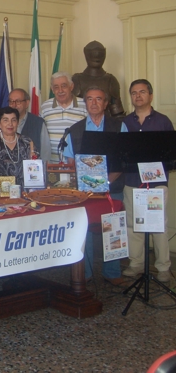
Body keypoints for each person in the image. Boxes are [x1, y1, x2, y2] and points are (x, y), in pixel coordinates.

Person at [62, 87, 128, 285]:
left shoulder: (119, 126)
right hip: (86, 191)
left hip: (112, 187)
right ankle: (86, 272)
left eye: (98, 99)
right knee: (86, 230)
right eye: (89, 99)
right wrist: (88, 184)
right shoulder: (75, 129)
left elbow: (124, 159)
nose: (93, 103)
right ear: (85, 103)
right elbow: (70, 161)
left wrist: (106, 182)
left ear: (105, 103)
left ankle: (112, 273)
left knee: (113, 229)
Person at [122, 79, 173, 282]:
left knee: (158, 225)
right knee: (132, 224)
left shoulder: (163, 121)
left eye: (142, 92)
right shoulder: (125, 122)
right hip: (132, 180)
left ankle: (163, 267)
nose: (138, 96)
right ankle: (136, 264)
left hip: (156, 183)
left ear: (150, 95)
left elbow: (171, 153)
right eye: (134, 93)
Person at [0, 107, 36, 190]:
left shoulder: (27, 142)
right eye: (6, 120)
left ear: (18, 122)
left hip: (23, 193)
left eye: (13, 120)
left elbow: (35, 168)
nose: (10, 124)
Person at [0, 89, 50, 162]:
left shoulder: (38, 123)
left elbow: (45, 153)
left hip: (31, 168)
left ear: (27, 103)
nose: (14, 105)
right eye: (11, 101)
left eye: (18, 101)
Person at [40, 72, 87, 162]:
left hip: (78, 163)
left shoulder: (85, 105)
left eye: (64, 86)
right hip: (52, 164)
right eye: (56, 87)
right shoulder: (45, 107)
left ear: (71, 86)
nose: (60, 90)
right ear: (52, 89)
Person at [72, 41, 125, 118]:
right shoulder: (77, 79)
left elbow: (117, 112)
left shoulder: (110, 80)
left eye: (100, 54)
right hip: (81, 121)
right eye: (93, 54)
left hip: (105, 123)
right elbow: (71, 109)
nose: (96, 56)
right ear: (86, 54)